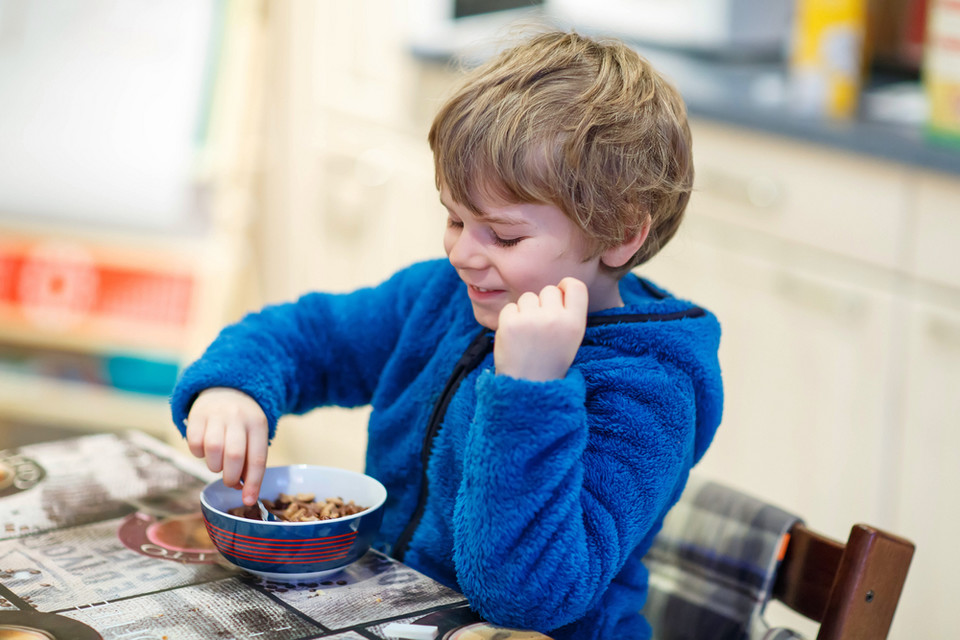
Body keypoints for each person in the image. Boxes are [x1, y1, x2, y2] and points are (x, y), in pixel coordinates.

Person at [170, 30, 723, 639]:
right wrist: (234, 388)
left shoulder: (650, 389)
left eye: (503, 236)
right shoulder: (444, 296)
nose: (462, 252)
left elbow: (527, 600)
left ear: (620, 233)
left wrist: (530, 392)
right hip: (393, 610)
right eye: (454, 217)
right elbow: (313, 336)